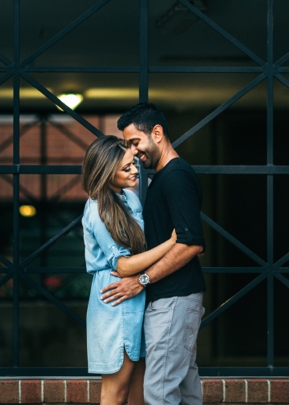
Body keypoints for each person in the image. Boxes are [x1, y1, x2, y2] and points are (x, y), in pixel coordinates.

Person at [101, 103, 207, 405]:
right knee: (185, 392)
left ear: (157, 133)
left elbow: (191, 244)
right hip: (175, 300)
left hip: (174, 300)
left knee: (159, 393)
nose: (133, 152)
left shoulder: (175, 177)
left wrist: (141, 280)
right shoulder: (162, 178)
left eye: (135, 142)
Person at [82, 135, 179, 405]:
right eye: (126, 168)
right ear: (105, 171)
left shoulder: (130, 198)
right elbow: (123, 266)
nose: (135, 170)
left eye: (133, 163)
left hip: (139, 299)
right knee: (117, 392)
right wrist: (171, 243)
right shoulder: (96, 208)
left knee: (141, 394)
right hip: (115, 302)